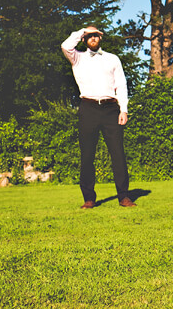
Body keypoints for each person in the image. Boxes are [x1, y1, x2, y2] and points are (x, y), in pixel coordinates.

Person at [61, 25, 135, 208]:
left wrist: (123, 109)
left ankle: (124, 196)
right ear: (85, 39)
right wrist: (82, 30)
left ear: (101, 38)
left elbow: (121, 85)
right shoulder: (77, 58)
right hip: (88, 108)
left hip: (111, 108)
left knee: (118, 153)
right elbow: (65, 46)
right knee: (87, 155)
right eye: (90, 36)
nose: (93, 38)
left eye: (96, 36)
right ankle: (89, 198)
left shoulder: (112, 59)